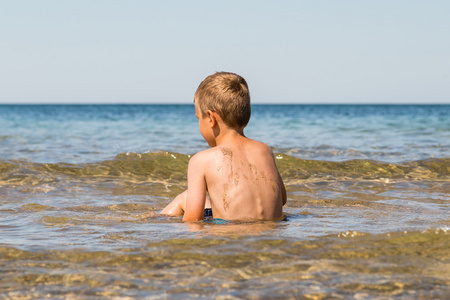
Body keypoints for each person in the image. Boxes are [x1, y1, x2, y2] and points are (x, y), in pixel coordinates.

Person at [160, 72, 287, 221]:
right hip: (269, 235)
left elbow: (193, 221)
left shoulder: (200, 161)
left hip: (229, 236)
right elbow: (282, 199)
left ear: (211, 118)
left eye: (198, 119)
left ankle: (149, 221)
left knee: (184, 198)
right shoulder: (265, 150)